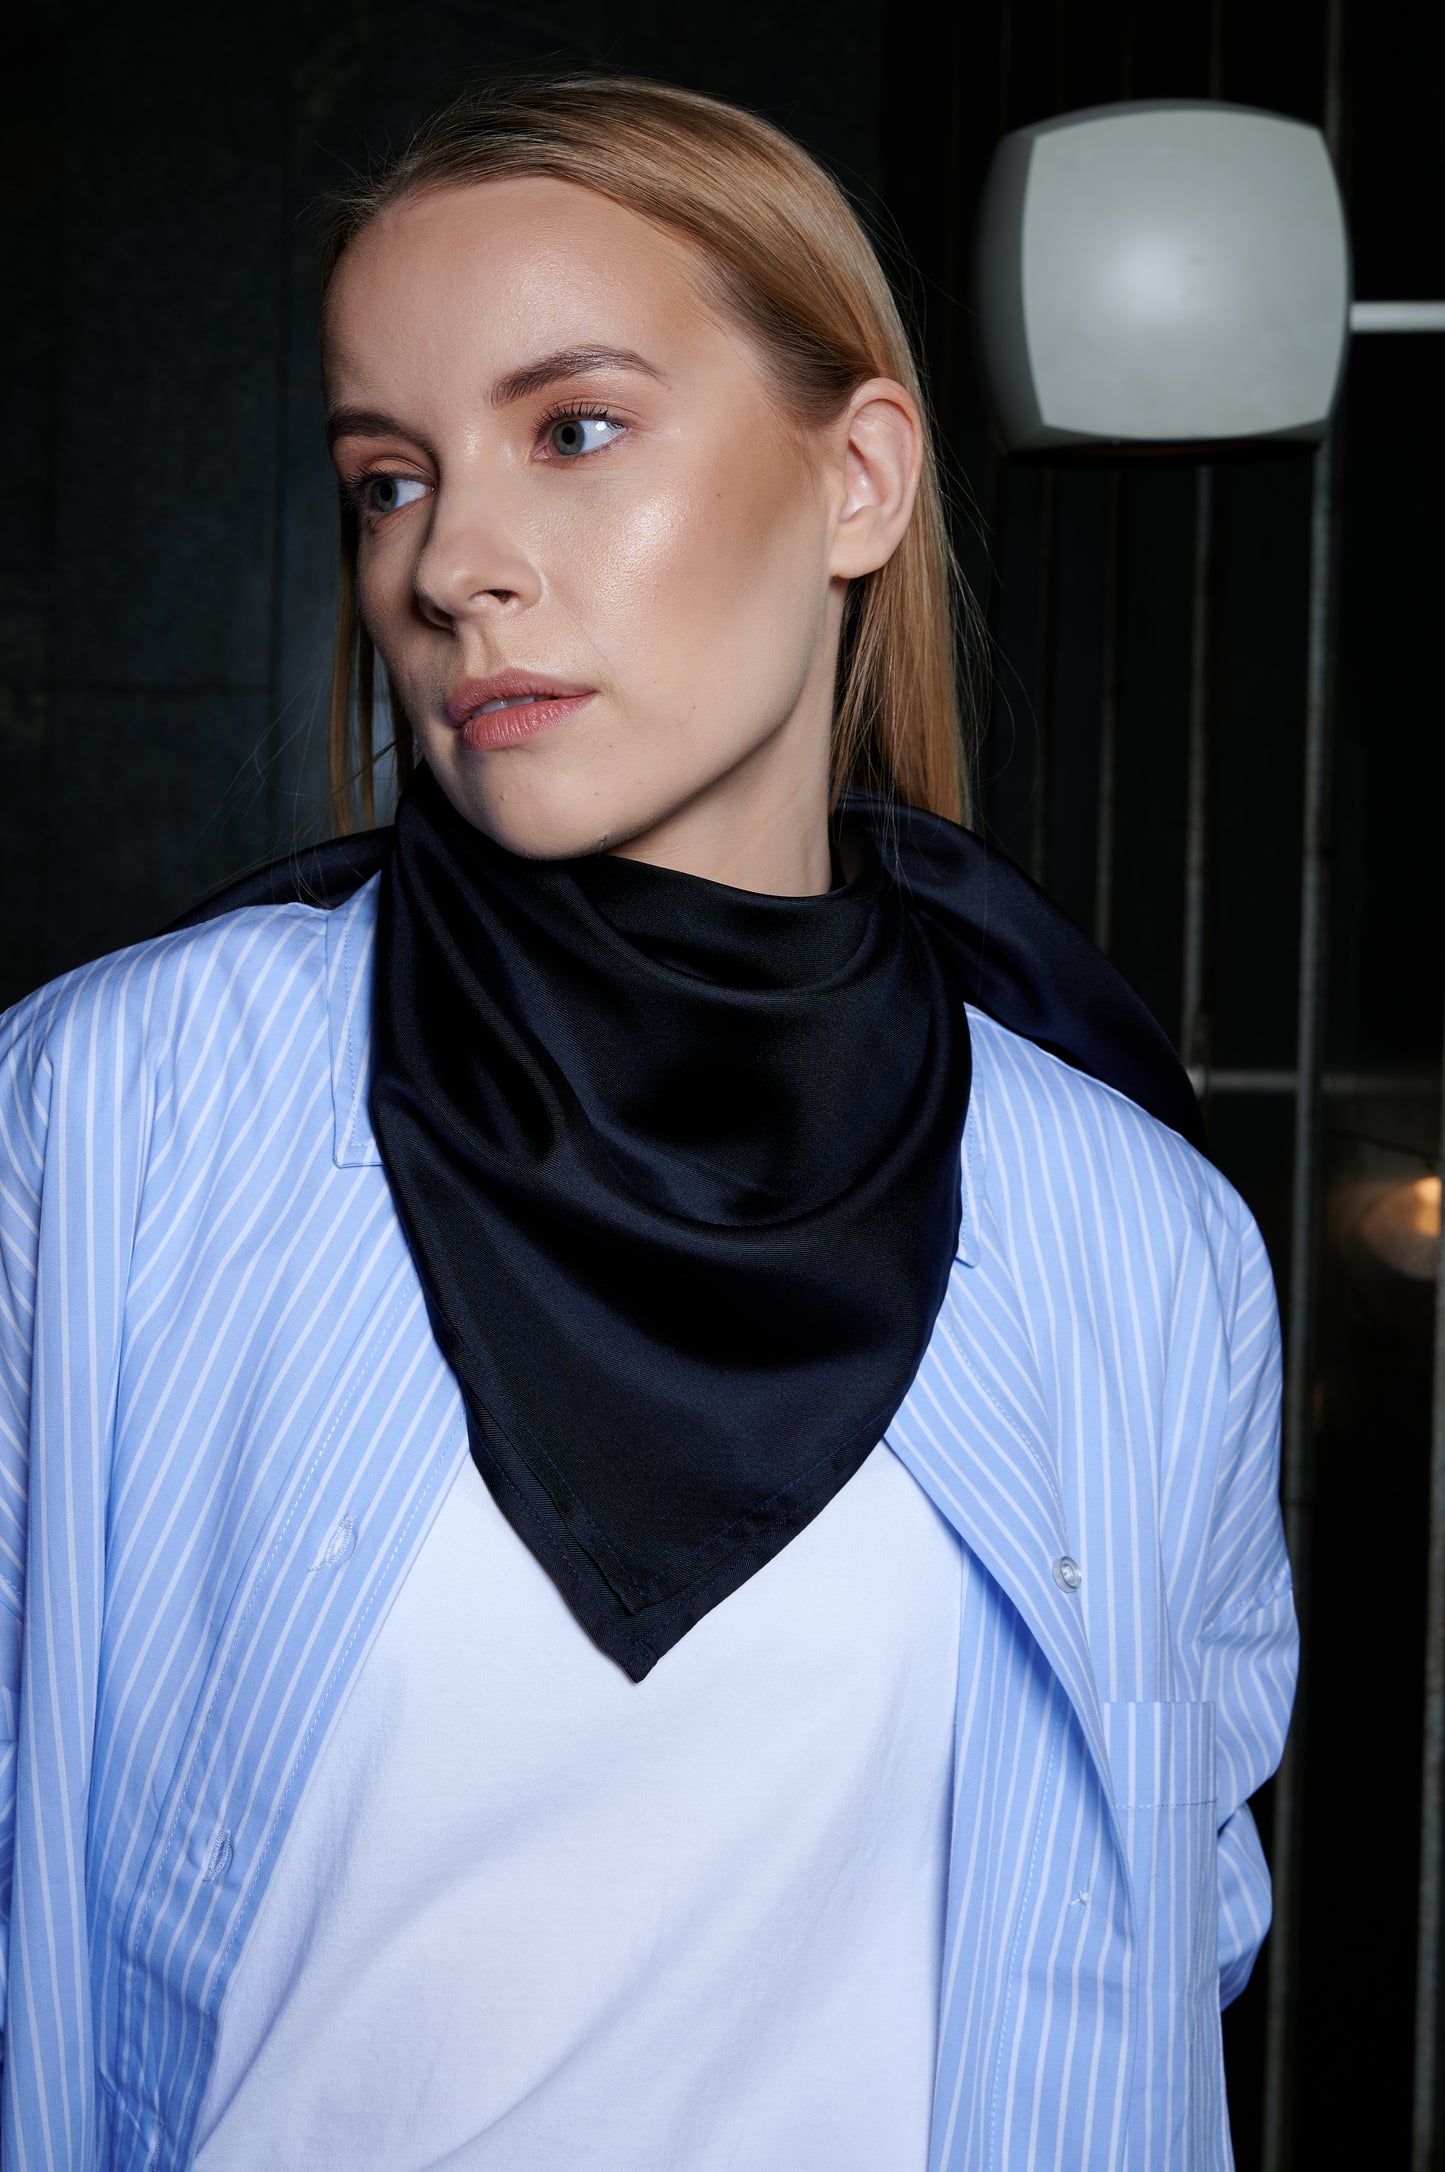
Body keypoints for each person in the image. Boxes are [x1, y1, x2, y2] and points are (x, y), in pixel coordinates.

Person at [0, 74, 1294, 2172]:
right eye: (388, 476)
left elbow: (1171, 1922)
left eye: (573, 431)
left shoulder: (1138, 1238)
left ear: (859, 478)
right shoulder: (110, 1121)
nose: (452, 564)